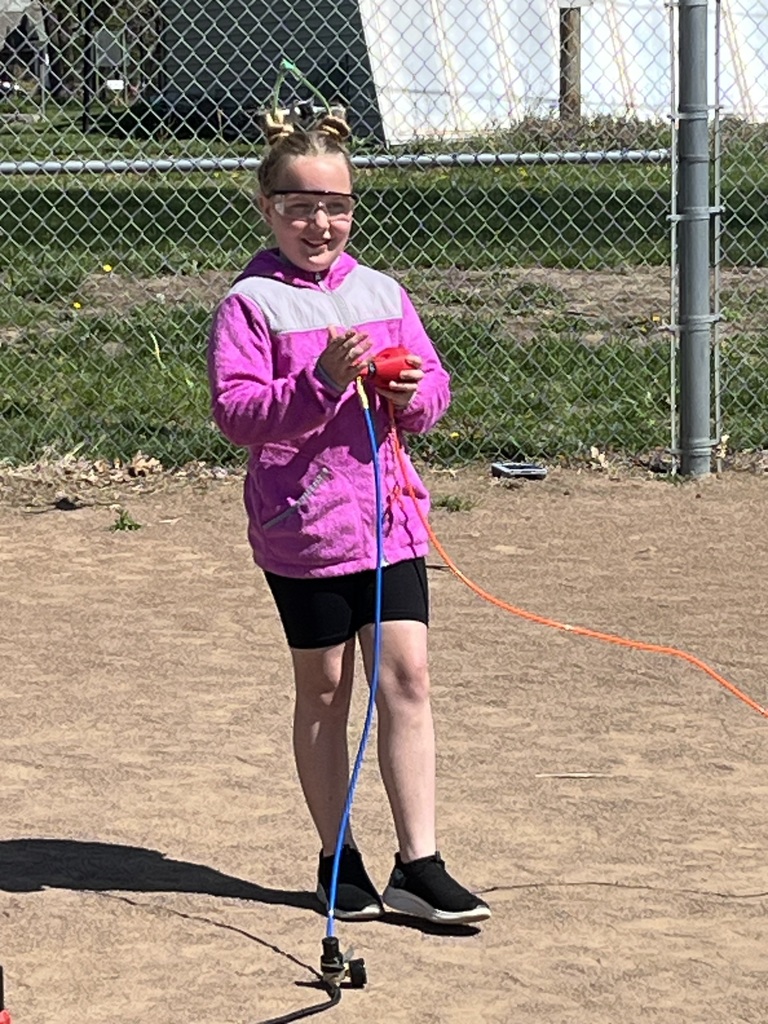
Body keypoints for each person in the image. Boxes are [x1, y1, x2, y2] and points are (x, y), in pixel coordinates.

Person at [207, 108, 490, 926]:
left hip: (390, 520)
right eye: (298, 206)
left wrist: (414, 396)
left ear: (353, 210)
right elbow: (239, 413)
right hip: (304, 532)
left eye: (334, 205)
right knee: (326, 690)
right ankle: (339, 858)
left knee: (406, 679)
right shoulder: (252, 304)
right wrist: (322, 380)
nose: (318, 222)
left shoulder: (382, 293)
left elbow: (433, 389)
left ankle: (421, 863)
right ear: (267, 208)